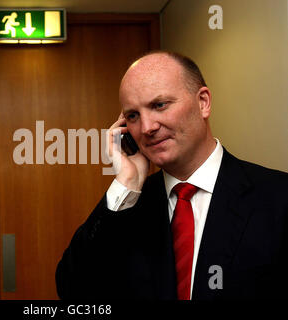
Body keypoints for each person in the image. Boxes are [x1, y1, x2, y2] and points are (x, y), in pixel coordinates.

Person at [55, 50, 288, 300]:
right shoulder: (129, 206)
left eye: (159, 105)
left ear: (203, 102)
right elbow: (73, 289)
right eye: (133, 115)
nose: (147, 128)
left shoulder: (277, 197)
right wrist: (126, 183)